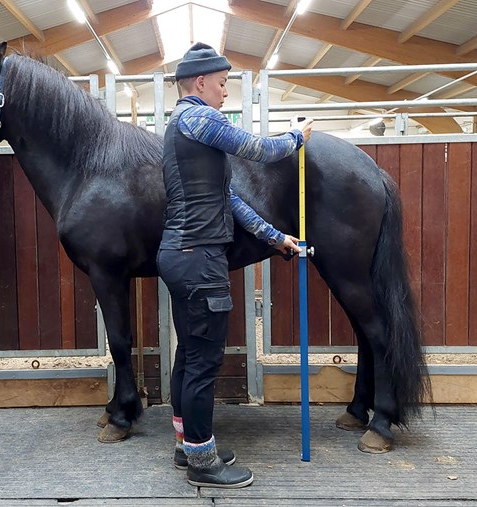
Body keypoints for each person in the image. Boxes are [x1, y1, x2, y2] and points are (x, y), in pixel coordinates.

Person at [157, 42, 312, 488]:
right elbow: (257, 149)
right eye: (222, 84)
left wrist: (275, 236)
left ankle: (190, 447)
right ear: (201, 83)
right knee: (204, 361)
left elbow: (228, 201)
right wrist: (296, 136)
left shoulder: (180, 128)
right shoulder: (200, 117)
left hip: (182, 254)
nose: (225, 92)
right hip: (200, 257)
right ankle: (204, 465)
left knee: (189, 354)